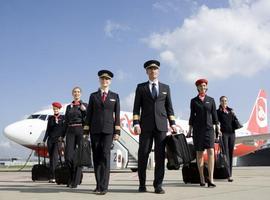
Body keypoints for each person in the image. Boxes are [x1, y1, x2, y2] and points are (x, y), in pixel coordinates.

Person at [133, 60, 177, 194]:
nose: (153, 71)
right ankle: (142, 184)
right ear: (147, 72)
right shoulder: (141, 87)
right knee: (143, 155)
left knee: (159, 157)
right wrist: (136, 123)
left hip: (161, 127)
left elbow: (170, 108)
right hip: (145, 126)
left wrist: (173, 124)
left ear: (158, 71)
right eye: (150, 69)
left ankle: (158, 185)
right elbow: (136, 108)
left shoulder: (165, 88)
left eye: (155, 69)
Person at [84, 70, 120, 195]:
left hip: (108, 131)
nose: (105, 81)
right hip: (95, 131)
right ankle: (98, 185)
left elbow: (117, 116)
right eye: (102, 79)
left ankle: (104, 186)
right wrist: (86, 131)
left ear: (110, 81)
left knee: (105, 156)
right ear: (99, 80)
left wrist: (117, 132)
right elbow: (89, 114)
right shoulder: (93, 96)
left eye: (107, 79)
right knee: (97, 157)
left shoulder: (115, 96)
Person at [187, 78, 221, 188]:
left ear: (206, 87)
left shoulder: (211, 100)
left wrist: (218, 128)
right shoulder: (194, 101)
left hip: (209, 129)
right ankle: (201, 177)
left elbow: (215, 116)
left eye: (204, 85)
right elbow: (192, 116)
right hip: (198, 130)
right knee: (199, 153)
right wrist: (190, 130)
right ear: (197, 88)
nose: (203, 87)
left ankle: (211, 178)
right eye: (201, 86)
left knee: (211, 151)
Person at [64, 87, 87, 188]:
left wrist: (84, 111)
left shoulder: (85, 105)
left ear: (80, 94)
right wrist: (62, 135)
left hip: (80, 130)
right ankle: (70, 178)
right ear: (72, 94)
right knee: (68, 156)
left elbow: (88, 118)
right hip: (70, 131)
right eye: (75, 92)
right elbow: (65, 121)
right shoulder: (69, 106)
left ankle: (76, 181)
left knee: (79, 156)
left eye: (78, 92)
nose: (76, 93)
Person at [217, 96, 238, 182]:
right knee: (225, 154)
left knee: (230, 153)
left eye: (225, 101)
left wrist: (234, 114)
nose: (224, 102)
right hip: (224, 134)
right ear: (220, 102)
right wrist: (218, 131)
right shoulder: (218, 112)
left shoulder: (231, 110)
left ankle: (230, 174)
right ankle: (228, 175)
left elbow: (235, 121)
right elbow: (216, 122)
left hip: (232, 133)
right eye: (222, 101)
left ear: (227, 102)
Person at [42, 102, 65, 183]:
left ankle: (55, 176)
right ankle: (51, 176)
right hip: (50, 140)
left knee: (55, 158)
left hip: (58, 140)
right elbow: (48, 130)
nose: (55, 110)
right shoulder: (51, 118)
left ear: (59, 109)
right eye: (54, 109)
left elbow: (64, 129)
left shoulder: (63, 117)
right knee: (51, 158)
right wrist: (44, 140)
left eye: (56, 109)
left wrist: (62, 137)